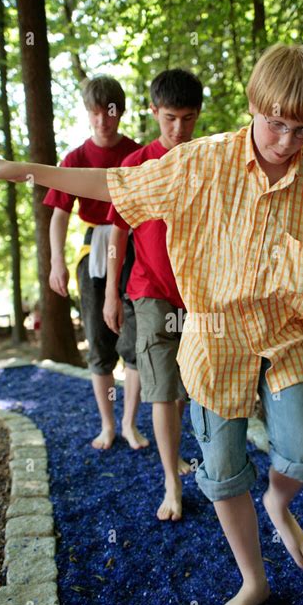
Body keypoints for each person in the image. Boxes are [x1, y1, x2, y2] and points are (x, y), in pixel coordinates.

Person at [0, 43, 303, 605]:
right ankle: (253, 580)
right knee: (221, 469)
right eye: (277, 123)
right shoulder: (200, 162)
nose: (288, 141)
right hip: (213, 341)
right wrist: (19, 169)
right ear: (253, 106)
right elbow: (111, 184)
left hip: (284, 338)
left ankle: (279, 504)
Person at [104, 69, 203, 522]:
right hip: (149, 291)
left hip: (199, 293)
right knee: (161, 386)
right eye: (169, 119)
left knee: (184, 387)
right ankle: (171, 480)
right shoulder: (134, 166)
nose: (178, 130)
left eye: (187, 118)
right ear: (153, 113)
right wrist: (111, 294)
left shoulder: (208, 162)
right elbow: (117, 236)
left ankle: (178, 454)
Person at [44, 75, 148, 451]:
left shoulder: (139, 155)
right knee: (99, 341)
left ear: (120, 112)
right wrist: (57, 262)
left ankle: (130, 424)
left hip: (137, 251)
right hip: (94, 253)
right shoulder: (75, 160)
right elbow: (59, 215)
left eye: (111, 110)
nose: (103, 119)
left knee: (135, 342)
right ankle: (107, 425)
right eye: (95, 111)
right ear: (87, 114)